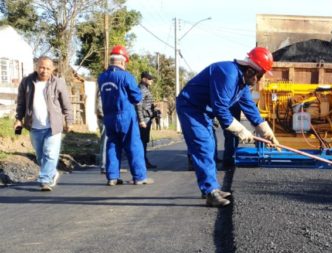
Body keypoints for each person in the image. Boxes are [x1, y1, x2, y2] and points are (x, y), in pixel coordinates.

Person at [176, 46, 279, 207]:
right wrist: (240, 130)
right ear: (251, 70)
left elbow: (249, 107)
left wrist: (266, 131)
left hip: (203, 111)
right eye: (261, 75)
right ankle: (211, 191)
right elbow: (220, 108)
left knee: (210, 147)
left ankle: (211, 188)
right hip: (191, 107)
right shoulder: (228, 74)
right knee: (203, 146)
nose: (260, 79)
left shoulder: (242, 84)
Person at [14, 56, 73, 191]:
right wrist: (18, 118)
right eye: (41, 67)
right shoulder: (27, 82)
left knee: (50, 154)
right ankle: (52, 173)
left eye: (47, 68)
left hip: (53, 126)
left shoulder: (58, 83)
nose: (44, 71)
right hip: (34, 126)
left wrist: (69, 120)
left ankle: (45, 180)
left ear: (52, 69)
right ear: (37, 67)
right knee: (41, 156)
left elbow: (66, 104)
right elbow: (21, 103)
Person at [98, 45, 153, 186]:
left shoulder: (102, 77)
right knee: (133, 145)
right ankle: (140, 177)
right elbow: (136, 97)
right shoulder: (126, 76)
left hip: (109, 116)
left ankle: (112, 177)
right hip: (125, 115)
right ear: (123, 62)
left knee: (112, 144)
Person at [137, 71, 157, 169]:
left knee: (144, 141)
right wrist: (141, 120)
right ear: (143, 79)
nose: (151, 80)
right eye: (149, 78)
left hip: (147, 117)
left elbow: (146, 104)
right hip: (144, 119)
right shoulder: (142, 89)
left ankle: (144, 161)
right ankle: (142, 163)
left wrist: (154, 111)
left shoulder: (145, 89)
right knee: (142, 142)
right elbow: (138, 105)